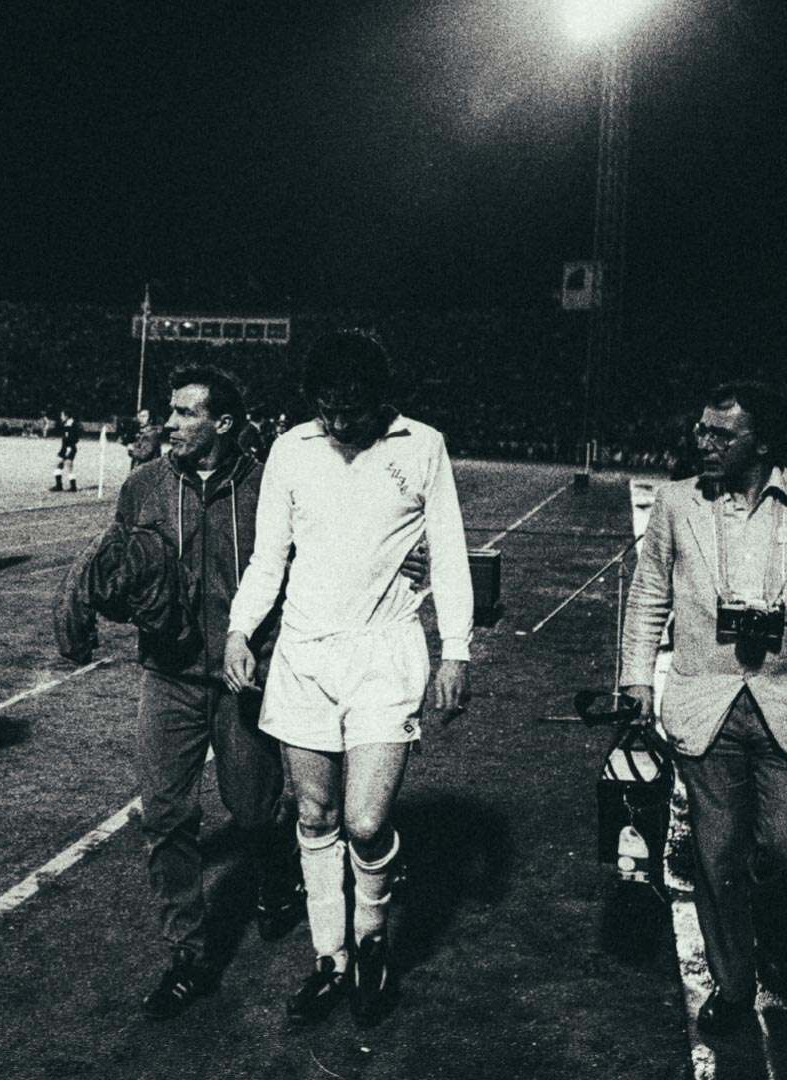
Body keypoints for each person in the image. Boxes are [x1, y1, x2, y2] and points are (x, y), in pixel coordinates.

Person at [621, 381, 787, 1038]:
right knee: (715, 853)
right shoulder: (678, 504)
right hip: (705, 704)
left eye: (721, 434)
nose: (702, 442)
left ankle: (770, 927)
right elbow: (649, 590)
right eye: (701, 430)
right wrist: (635, 677)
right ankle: (733, 983)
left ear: (762, 442)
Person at [223, 331, 473, 1029]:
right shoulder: (292, 449)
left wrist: (456, 650)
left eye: (352, 410)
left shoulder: (422, 445)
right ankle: (330, 960)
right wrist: (242, 629)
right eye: (327, 410)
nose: (339, 424)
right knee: (313, 817)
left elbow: (448, 553)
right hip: (303, 654)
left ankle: (372, 940)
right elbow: (270, 554)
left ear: (380, 399)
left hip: (385, 654)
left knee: (365, 822)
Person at [105, 366, 303, 1020]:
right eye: (171, 410)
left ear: (225, 423)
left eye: (187, 413)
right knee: (164, 814)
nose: (171, 422)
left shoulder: (269, 488)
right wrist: (113, 592)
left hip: (245, 678)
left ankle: (278, 870)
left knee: (251, 810)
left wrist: (270, 651)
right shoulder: (143, 487)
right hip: (170, 674)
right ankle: (188, 957)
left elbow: (297, 578)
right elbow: (116, 571)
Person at [51, 408, 82, 492]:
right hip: (65, 448)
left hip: (69, 448)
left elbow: (73, 438)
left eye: (62, 415)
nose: (61, 417)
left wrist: (69, 447)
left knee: (68, 466)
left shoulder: (71, 424)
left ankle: (73, 487)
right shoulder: (67, 424)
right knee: (58, 463)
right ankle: (59, 485)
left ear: (66, 416)